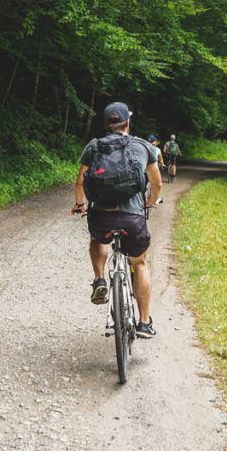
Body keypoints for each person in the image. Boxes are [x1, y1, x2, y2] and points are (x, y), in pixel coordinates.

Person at [71, 102, 162, 338]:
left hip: (102, 219)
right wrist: (149, 202)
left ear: (106, 125)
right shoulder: (143, 147)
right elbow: (157, 183)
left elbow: (80, 182)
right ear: (128, 123)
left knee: (98, 239)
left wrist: (80, 205)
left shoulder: (93, 147)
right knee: (140, 263)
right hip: (133, 218)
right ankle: (143, 323)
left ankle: (100, 278)